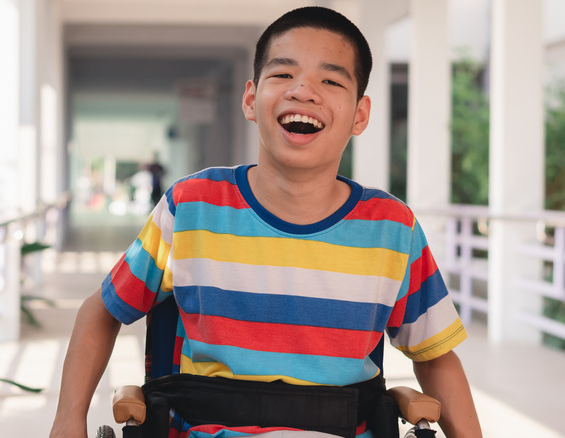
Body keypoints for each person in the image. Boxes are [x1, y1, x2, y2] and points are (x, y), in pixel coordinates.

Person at [50, 6, 482, 438]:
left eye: (331, 81)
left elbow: (435, 356)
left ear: (359, 116)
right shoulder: (192, 208)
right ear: (251, 100)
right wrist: (68, 420)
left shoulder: (392, 229)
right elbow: (101, 312)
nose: (304, 91)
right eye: (282, 74)